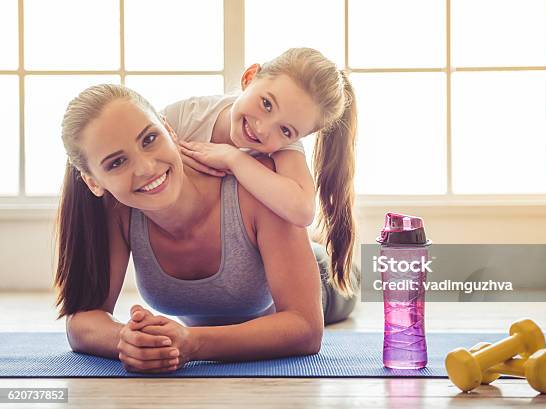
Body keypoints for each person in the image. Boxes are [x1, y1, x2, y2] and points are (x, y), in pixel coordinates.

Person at [54, 84, 356, 374]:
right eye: (116, 162)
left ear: (169, 129)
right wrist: (128, 341)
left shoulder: (259, 190)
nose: (146, 168)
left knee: (360, 276)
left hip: (325, 281)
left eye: (149, 139)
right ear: (93, 181)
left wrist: (194, 343)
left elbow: (305, 328)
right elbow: (81, 322)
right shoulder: (117, 212)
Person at [172, 47, 357, 297]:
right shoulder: (188, 116)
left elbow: (302, 210)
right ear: (249, 77)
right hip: (222, 282)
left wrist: (233, 158)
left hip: (317, 281)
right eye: (267, 104)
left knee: (338, 282)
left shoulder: (284, 149)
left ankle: (349, 276)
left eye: (286, 131)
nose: (262, 128)